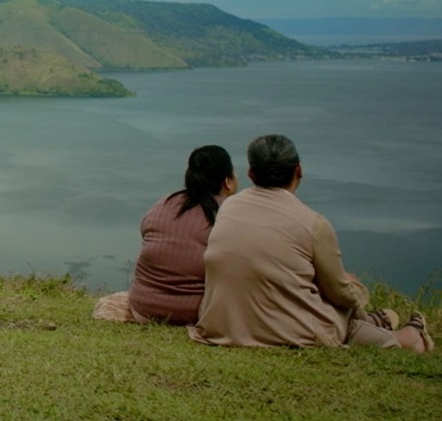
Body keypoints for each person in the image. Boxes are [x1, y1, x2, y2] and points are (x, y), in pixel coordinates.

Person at [189, 134, 432, 352]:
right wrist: (357, 290)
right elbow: (338, 293)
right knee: (344, 308)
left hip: (221, 326)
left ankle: (382, 325)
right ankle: (404, 339)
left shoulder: (229, 207)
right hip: (286, 332)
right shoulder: (312, 223)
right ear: (299, 171)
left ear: (252, 174)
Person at [127, 145, 237, 325]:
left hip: (144, 308)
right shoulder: (228, 214)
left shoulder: (163, 204)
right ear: (228, 181)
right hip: (196, 313)